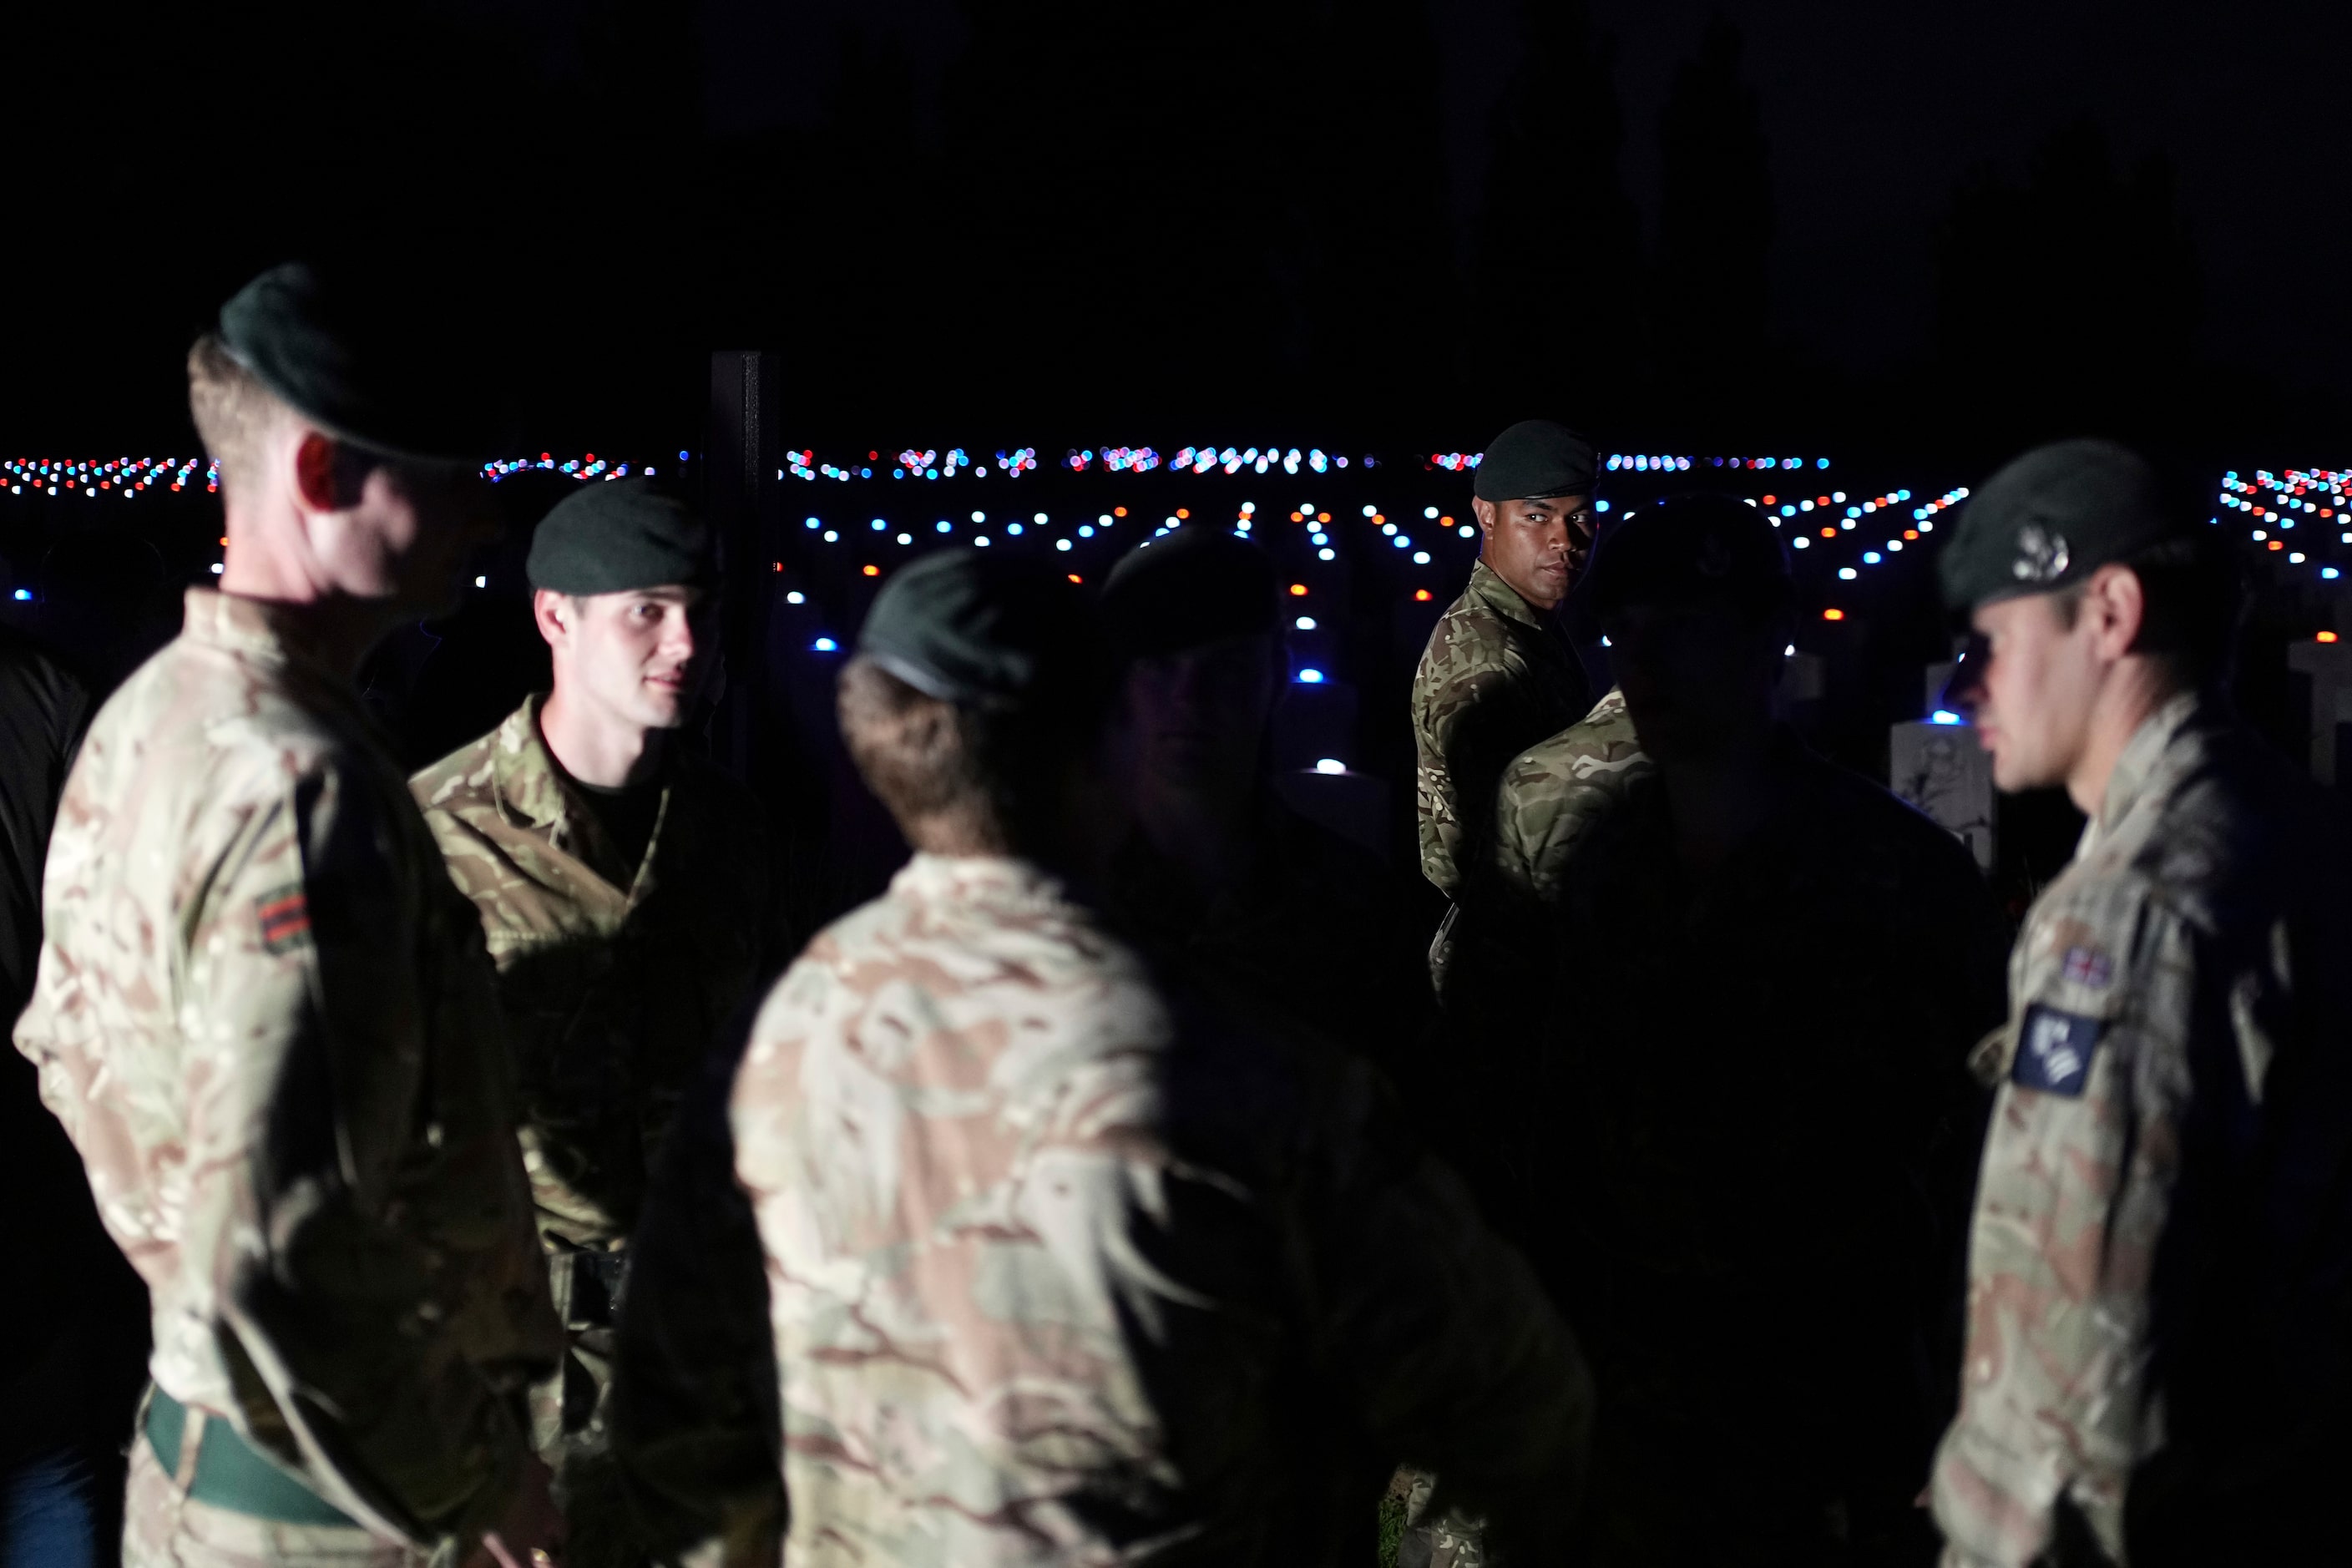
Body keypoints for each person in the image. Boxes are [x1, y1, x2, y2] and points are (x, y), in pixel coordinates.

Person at [638, 548, 1592, 1566]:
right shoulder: (1239, 1066)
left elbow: (679, 1402)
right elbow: (1502, 1386)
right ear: (1102, 734)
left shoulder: (790, 1030)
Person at [12, 262, 564, 1568]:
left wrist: (179, 1264)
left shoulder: (156, 715)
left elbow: (62, 1049)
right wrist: (477, 1481)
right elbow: (277, 1245)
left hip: (226, 1455)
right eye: (447, 472)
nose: (483, 515)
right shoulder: (297, 789)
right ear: (320, 474)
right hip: (345, 1504)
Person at [1523, 494, 2009, 1565]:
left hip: (1829, 1410)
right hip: (1638, 1409)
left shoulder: (1896, 878)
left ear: (1762, 644)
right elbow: (1565, 1130)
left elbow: (1980, 1168)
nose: (1644, 663)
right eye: (1626, 634)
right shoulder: (1612, 864)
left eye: (1682, 631)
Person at [1930, 441, 2352, 1568]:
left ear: (2108, 613)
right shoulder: (2287, 827)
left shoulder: (2126, 909)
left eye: (1997, 641)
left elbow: (2076, 1365)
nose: (1966, 686)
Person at [411, 481, 776, 1561]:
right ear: (554, 616)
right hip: (515, 1386)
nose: (687, 641)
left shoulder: (732, 836)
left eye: (702, 609)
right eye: (648, 609)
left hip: (701, 1371)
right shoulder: (437, 837)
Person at [1100, 525, 1428, 1078]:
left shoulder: (1357, 901)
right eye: (1159, 668)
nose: (1189, 697)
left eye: (1224, 667)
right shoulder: (1051, 889)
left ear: (1275, 677)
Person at [1411, 418, 1598, 994]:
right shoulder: (1488, 661)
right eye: (1536, 517)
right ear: (1485, 516)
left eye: (1580, 518)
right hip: (1511, 970)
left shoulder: (1527, 629)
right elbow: (1504, 859)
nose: (1563, 541)